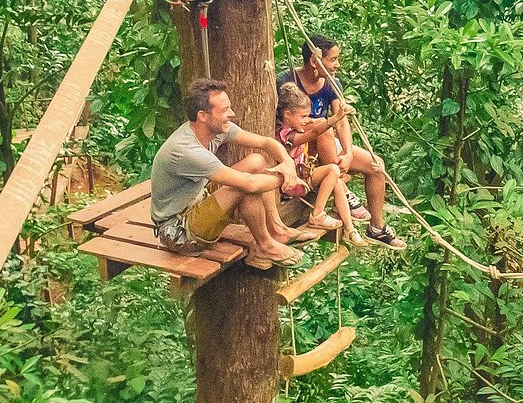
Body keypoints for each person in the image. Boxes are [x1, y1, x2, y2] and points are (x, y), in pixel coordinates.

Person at [150, 78, 308, 270]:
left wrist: (287, 163)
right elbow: (250, 184)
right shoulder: (186, 150)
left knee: (256, 161)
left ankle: (277, 229)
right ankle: (265, 245)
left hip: (198, 198)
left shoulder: (216, 129)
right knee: (244, 186)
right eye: (224, 110)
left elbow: (266, 143)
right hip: (178, 231)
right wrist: (286, 178)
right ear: (203, 116)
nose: (231, 114)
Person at [277, 34, 403, 249]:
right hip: (299, 149)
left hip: (325, 148)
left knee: (376, 166)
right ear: (315, 61)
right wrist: (320, 124)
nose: (337, 65)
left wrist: (348, 152)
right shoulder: (287, 82)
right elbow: (283, 123)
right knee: (322, 127)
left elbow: (341, 121)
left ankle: (377, 227)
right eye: (333, 60)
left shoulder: (331, 84)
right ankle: (342, 189)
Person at [276, 80, 353, 240]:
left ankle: (350, 229)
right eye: (303, 116)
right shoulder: (286, 135)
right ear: (288, 115)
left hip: (303, 178)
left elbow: (310, 126)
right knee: (332, 170)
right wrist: (334, 119)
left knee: (336, 177)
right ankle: (318, 214)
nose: (307, 120)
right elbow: (312, 134)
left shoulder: (296, 126)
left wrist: (309, 121)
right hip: (292, 185)